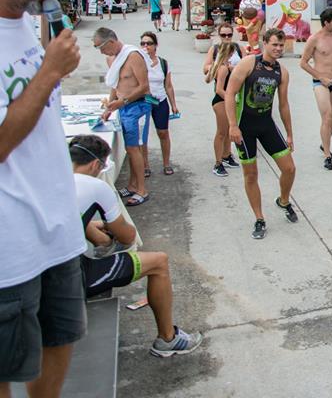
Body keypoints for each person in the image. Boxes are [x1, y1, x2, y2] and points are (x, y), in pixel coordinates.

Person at [0, 0, 86, 397]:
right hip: (10, 243)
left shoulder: (27, 29)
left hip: (57, 227)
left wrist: (51, 69)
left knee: (60, 338)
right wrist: (50, 73)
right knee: (8, 366)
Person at [69, 135, 202, 357]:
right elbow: (127, 235)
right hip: (69, 279)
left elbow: (79, 223)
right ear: (95, 165)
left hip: (33, 276)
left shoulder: (49, 180)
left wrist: (98, 230)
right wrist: (110, 231)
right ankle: (167, 339)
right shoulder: (95, 187)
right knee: (159, 261)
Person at [224, 29, 297, 239]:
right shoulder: (249, 63)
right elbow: (230, 93)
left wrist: (289, 133)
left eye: (281, 45)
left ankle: (283, 201)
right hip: (244, 126)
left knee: (290, 168)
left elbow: (283, 105)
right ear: (265, 43)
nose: (278, 49)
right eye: (274, 44)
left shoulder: (282, 72)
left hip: (266, 124)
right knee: (251, 174)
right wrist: (232, 125)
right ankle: (259, 218)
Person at [94, 27, 152, 206]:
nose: (101, 51)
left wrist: (123, 101)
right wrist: (109, 108)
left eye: (101, 47)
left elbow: (143, 87)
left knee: (136, 148)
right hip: (124, 107)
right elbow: (115, 84)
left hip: (137, 106)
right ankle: (133, 185)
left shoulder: (133, 56)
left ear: (110, 42)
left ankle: (142, 189)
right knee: (129, 148)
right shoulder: (112, 59)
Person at [300, 8, 332, 170]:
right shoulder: (314, 39)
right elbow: (303, 63)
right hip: (320, 83)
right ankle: (327, 154)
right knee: (327, 116)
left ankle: (324, 142)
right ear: (326, 23)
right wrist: (320, 77)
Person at [206, 27, 244, 177]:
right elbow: (219, 90)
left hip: (226, 99)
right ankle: (217, 163)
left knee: (228, 130)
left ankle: (227, 155)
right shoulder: (223, 69)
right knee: (221, 132)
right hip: (221, 100)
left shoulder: (224, 67)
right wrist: (231, 99)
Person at [140, 31, 178, 177]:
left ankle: (166, 163)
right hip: (143, 101)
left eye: (149, 43)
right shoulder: (139, 62)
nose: (146, 46)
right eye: (143, 43)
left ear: (155, 46)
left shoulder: (163, 63)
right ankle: (145, 165)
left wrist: (173, 104)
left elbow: (168, 85)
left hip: (160, 100)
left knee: (163, 132)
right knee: (142, 134)